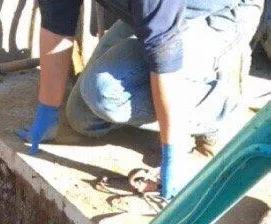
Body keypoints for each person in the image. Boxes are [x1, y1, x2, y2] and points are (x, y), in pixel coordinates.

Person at [17, 0, 263, 198]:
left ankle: (219, 106)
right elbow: (56, 24)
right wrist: (47, 111)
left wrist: (172, 151)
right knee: (82, 117)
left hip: (220, 13)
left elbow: (164, 55)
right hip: (148, 15)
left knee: (106, 93)